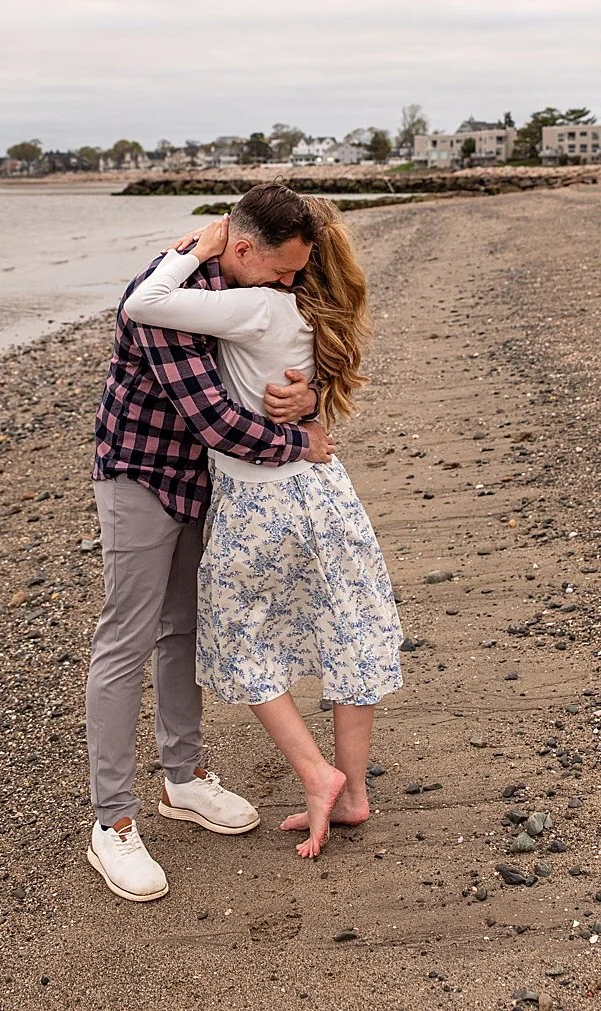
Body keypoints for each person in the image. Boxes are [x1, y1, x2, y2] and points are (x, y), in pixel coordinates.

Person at [124, 197, 403, 859]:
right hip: (326, 492)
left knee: (237, 635)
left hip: (260, 500)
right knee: (350, 627)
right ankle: (355, 792)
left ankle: (316, 771)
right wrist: (311, 400)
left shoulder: (256, 305)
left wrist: (196, 247)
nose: (284, 276)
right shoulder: (316, 313)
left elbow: (144, 303)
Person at [86, 182, 335, 902]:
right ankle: (112, 821)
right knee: (126, 638)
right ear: (244, 249)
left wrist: (308, 397)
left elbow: (286, 357)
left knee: (185, 628)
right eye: (282, 272)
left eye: (297, 274)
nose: (289, 287)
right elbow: (217, 422)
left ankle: (184, 777)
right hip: (139, 473)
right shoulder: (170, 294)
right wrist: (305, 443)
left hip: (205, 482)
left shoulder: (254, 286)